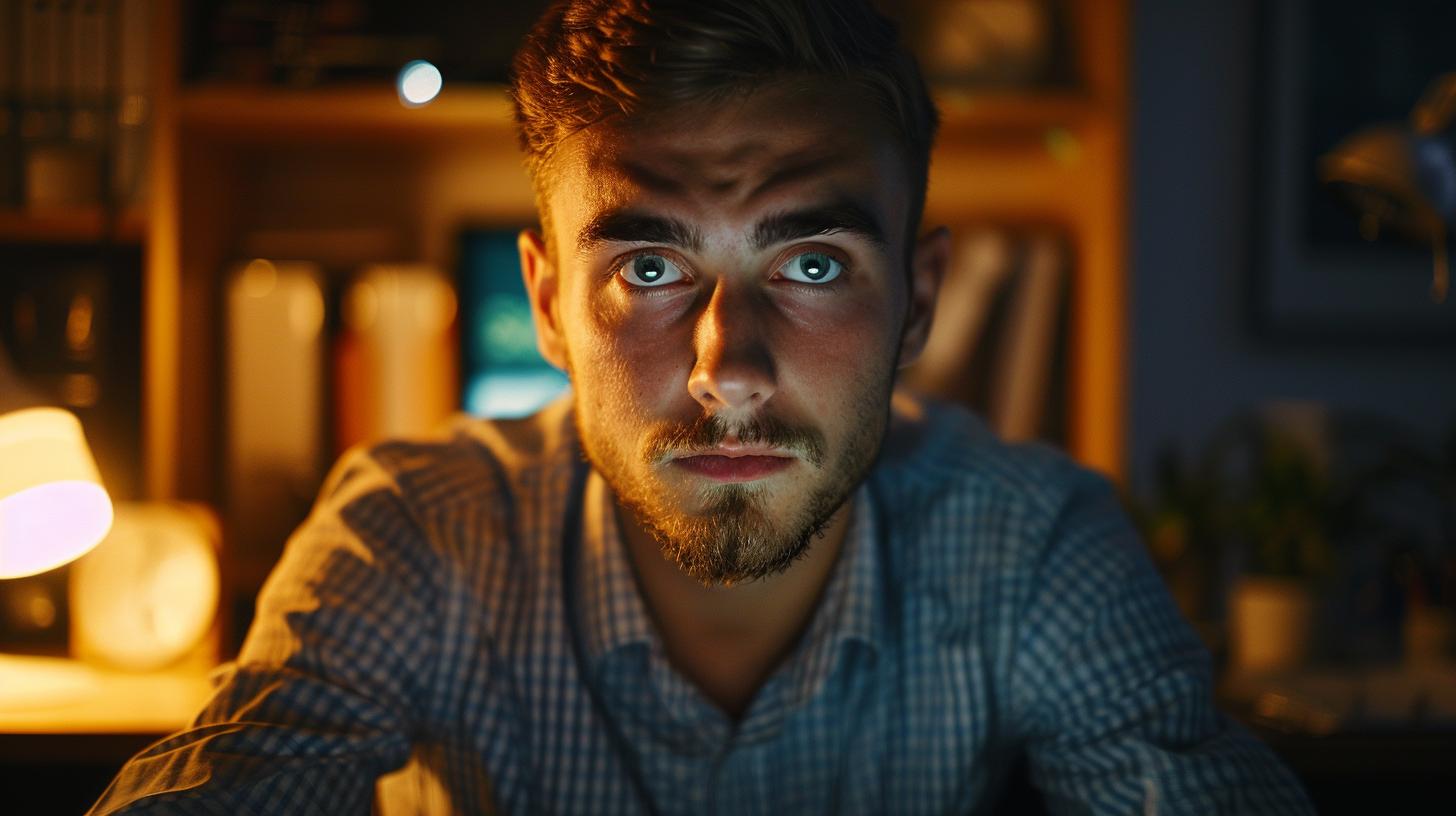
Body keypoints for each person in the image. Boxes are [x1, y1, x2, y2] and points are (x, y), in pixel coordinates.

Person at [92, 1, 1313, 813]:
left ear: (919, 301)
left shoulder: (1033, 543)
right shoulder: (418, 532)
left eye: (815, 264)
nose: (729, 366)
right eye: (649, 269)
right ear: (552, 306)